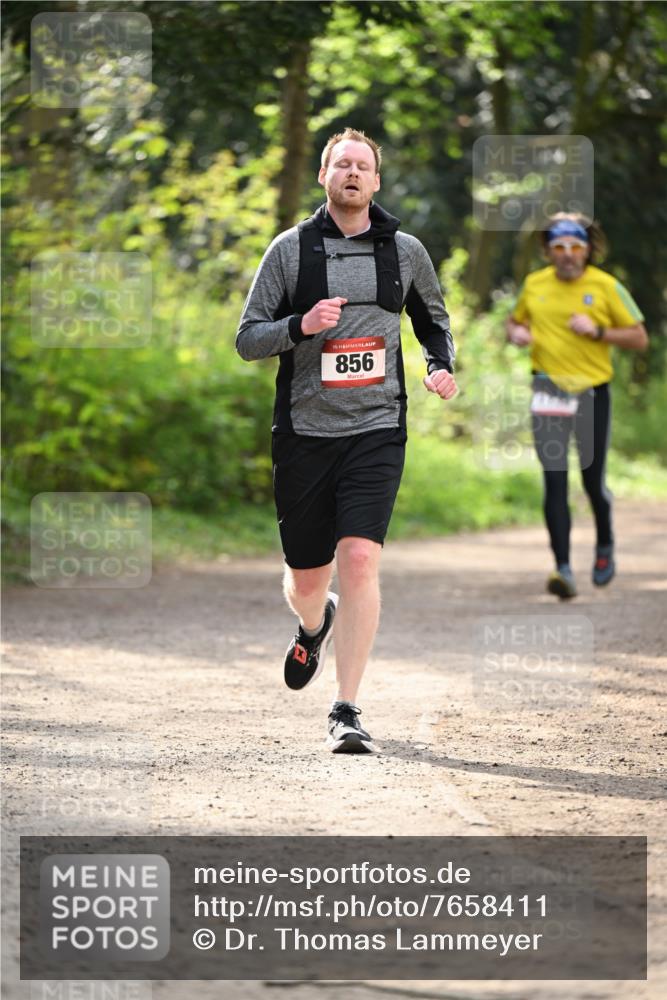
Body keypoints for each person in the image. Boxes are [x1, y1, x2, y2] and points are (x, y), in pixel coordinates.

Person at [236, 127, 457, 752]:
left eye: (363, 165)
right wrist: (301, 326)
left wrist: (440, 365)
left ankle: (346, 708)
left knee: (360, 558)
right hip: (306, 431)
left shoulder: (405, 252)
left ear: (377, 181)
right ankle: (314, 625)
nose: (353, 173)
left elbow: (433, 322)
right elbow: (248, 338)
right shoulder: (291, 250)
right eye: (342, 165)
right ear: (325, 178)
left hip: (377, 428)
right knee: (308, 578)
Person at [506, 213, 648, 599]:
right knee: (554, 480)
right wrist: (517, 332)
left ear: (587, 249)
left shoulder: (606, 286)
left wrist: (599, 331)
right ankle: (563, 569)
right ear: (548, 250)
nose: (567, 255)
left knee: (591, 481)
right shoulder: (535, 285)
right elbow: (513, 321)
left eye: (575, 247)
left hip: (591, 392)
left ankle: (604, 544)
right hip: (548, 389)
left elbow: (639, 337)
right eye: (559, 247)